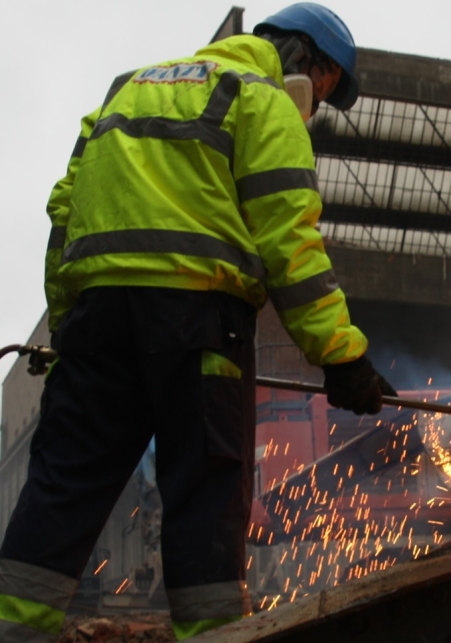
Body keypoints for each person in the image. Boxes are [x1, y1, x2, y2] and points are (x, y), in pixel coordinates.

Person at [0, 4, 395, 640]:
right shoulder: (260, 100)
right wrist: (341, 357)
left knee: (63, 486)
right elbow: (288, 242)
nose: (315, 107)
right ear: (305, 60)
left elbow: (63, 211)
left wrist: (69, 319)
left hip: (98, 319)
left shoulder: (126, 90)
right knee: (206, 496)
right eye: (323, 91)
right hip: (198, 325)